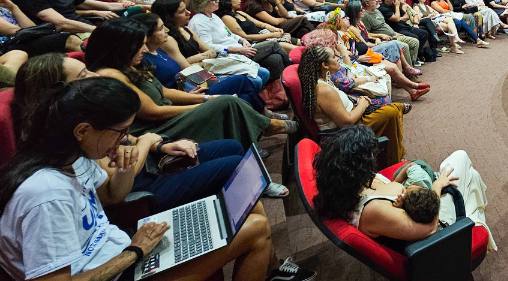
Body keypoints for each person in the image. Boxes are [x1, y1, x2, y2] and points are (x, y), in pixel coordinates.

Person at [0, 74, 313, 281]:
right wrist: (133, 253)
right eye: (120, 132)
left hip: (124, 250)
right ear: (83, 130)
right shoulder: (45, 193)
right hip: (122, 264)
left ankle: (270, 268)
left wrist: (123, 168)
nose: (124, 139)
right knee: (256, 228)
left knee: (242, 205)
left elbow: (112, 197)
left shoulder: (74, 158)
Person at [313, 125, 496, 250]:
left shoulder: (350, 185)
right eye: (370, 156)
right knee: (461, 159)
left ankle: (473, 213)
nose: (374, 159)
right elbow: (429, 228)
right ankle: (471, 226)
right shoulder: (373, 211)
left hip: (418, 201)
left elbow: (394, 187)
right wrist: (437, 187)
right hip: (436, 225)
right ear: (360, 165)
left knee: (465, 173)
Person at [133, 13, 289, 123]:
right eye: (160, 28)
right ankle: (265, 118)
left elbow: (208, 53)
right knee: (243, 81)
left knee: (246, 93)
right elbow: (163, 90)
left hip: (193, 86)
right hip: (185, 95)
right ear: (148, 34)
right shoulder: (142, 59)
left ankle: (259, 125)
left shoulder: (159, 49)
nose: (166, 30)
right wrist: (198, 96)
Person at [298, 48, 406, 164]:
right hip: (345, 131)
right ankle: (393, 160)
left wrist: (356, 100)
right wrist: (362, 105)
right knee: (392, 112)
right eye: (334, 57)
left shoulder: (323, 81)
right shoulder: (324, 91)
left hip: (353, 113)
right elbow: (347, 122)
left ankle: (394, 156)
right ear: (325, 65)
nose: (338, 59)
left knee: (393, 109)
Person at [215, 0, 298, 52]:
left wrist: (274, 29)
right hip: (255, 42)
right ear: (227, 1)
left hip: (264, 34)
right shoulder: (226, 18)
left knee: (299, 42)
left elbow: (261, 24)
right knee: (297, 49)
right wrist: (272, 35)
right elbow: (245, 36)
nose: (240, 1)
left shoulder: (240, 13)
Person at [360, 0, 422, 66]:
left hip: (394, 34)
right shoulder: (365, 16)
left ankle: (411, 63)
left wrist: (395, 32)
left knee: (415, 42)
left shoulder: (377, 11)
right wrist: (381, 35)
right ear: (367, 3)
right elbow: (367, 33)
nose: (377, 0)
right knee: (404, 46)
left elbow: (384, 25)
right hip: (386, 39)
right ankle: (409, 70)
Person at [244, 0, 313, 39]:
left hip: (279, 25)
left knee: (303, 30)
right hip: (270, 29)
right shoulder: (254, 6)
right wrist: (285, 19)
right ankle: (319, 37)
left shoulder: (270, 1)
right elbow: (274, 21)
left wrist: (276, 1)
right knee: (302, 19)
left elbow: (284, 14)